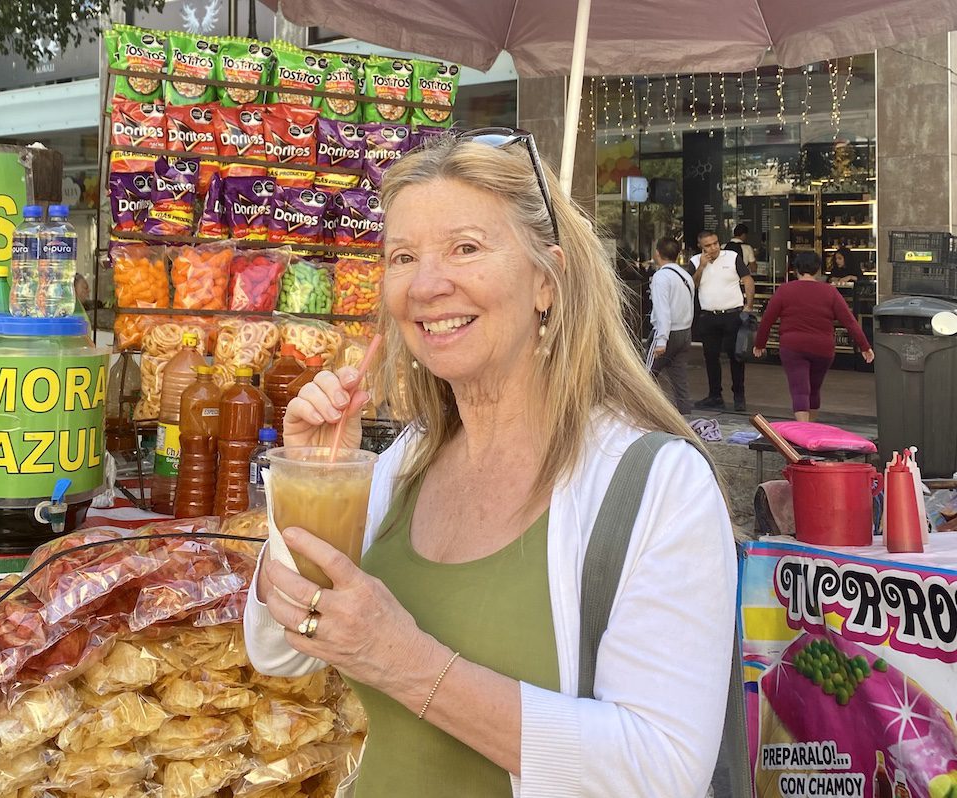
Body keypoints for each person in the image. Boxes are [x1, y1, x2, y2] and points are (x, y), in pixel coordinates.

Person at [243, 133, 737, 796]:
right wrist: (310, 476)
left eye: (465, 248)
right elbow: (280, 650)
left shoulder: (656, 486)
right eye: (402, 256)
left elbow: (660, 772)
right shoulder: (403, 464)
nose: (425, 284)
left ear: (545, 280)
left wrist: (405, 663)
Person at [753, 252, 874, 422]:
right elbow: (850, 322)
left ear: (796, 270)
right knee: (814, 389)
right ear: (818, 270)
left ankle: (804, 430)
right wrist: (865, 346)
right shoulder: (830, 292)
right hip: (823, 347)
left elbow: (767, 319)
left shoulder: (785, 290)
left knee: (799, 389)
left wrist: (760, 343)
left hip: (793, 346)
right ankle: (812, 428)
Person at [692, 230, 755, 412]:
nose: (713, 248)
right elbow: (692, 285)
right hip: (708, 315)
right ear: (701, 247)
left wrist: (748, 305)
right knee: (711, 357)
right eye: (708, 245)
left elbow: (748, 279)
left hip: (732, 314)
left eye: (715, 243)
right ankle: (715, 395)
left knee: (737, 356)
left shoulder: (732, 256)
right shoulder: (696, 261)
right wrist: (701, 267)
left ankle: (739, 396)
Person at [648, 236, 695, 413]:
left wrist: (661, 340)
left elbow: (662, 310)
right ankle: (685, 413)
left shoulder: (661, 276)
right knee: (679, 378)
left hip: (666, 333)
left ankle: (644, 412)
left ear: (657, 253)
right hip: (684, 332)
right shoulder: (685, 275)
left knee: (646, 377)